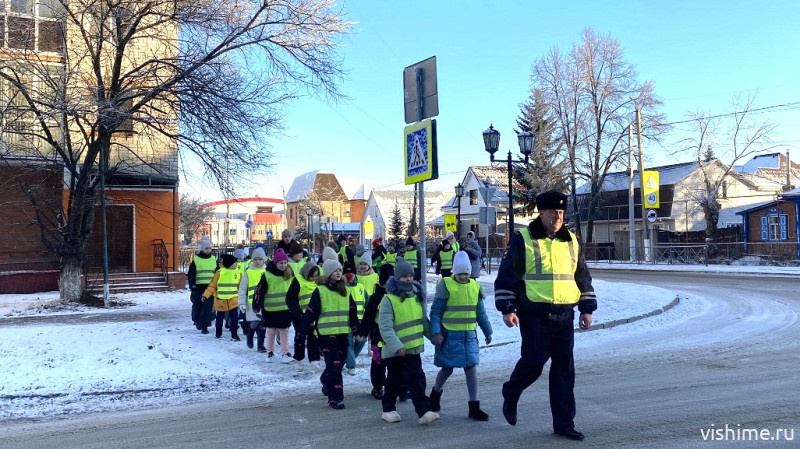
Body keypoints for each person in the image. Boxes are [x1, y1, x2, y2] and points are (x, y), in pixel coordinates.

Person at [494, 190, 597, 441]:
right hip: (534, 315)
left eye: (561, 212)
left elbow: (581, 276)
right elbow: (507, 274)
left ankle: (564, 424)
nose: (558, 217)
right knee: (533, 364)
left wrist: (586, 308)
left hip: (565, 316)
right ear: (541, 213)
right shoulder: (524, 239)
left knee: (564, 371)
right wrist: (507, 309)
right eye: (553, 212)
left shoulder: (571, 240)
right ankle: (512, 390)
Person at [428, 251, 493, 421]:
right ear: (454, 272)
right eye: (460, 273)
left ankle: (474, 406)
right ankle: (435, 394)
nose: (463, 277)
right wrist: (435, 332)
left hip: (469, 337)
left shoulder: (474, 287)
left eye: (466, 273)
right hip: (449, 336)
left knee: (471, 368)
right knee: (447, 368)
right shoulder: (446, 285)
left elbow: (481, 313)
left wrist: (488, 331)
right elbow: (436, 312)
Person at [377, 257, 439, 425]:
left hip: (413, 348)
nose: (409, 279)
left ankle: (424, 411)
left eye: (410, 276)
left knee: (417, 378)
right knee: (394, 380)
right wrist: (396, 346)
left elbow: (423, 322)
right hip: (396, 350)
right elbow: (385, 327)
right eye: (404, 276)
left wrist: (433, 336)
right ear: (397, 278)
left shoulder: (417, 297)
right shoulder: (389, 300)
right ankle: (388, 409)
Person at [294, 258, 359, 410]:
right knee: (334, 366)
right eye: (335, 270)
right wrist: (302, 332)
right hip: (326, 335)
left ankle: (325, 378)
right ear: (328, 273)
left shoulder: (346, 290)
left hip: (343, 334)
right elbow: (311, 313)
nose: (338, 272)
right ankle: (336, 398)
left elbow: (353, 312)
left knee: (339, 364)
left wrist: (357, 328)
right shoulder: (320, 291)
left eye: (340, 270)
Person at [355, 264, 394, 400]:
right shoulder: (376, 297)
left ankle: (400, 386)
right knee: (378, 363)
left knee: (396, 362)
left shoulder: (398, 295)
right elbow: (368, 317)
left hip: (395, 334)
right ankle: (378, 386)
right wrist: (362, 332)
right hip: (378, 334)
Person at [252, 248, 295, 362]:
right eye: (281, 263)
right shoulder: (267, 275)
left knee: (284, 330)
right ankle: (269, 352)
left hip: (285, 309)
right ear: (276, 263)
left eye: (285, 263)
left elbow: (295, 290)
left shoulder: (290, 274)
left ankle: (285, 352)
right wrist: (256, 304)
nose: (283, 265)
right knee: (271, 331)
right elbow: (259, 291)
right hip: (270, 309)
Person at [287, 260, 322, 368]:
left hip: (314, 315)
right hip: (301, 315)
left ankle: (314, 359)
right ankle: (299, 358)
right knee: (300, 337)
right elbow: (291, 298)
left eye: (316, 276)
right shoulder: (298, 280)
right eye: (312, 276)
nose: (313, 279)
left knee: (313, 337)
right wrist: (297, 313)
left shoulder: (319, 282)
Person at [201, 254, 242, 340]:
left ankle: (234, 334)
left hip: (233, 299)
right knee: (219, 317)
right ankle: (218, 332)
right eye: (234, 263)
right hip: (220, 299)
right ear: (228, 264)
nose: (236, 264)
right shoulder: (220, 272)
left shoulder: (238, 273)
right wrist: (205, 295)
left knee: (234, 318)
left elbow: (241, 286)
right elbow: (213, 285)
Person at [238, 246, 268, 351]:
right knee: (255, 322)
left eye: (260, 259)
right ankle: (250, 335)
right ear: (252, 260)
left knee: (263, 324)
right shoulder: (248, 272)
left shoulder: (267, 271)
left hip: (264, 302)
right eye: (255, 259)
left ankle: (260, 345)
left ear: (264, 260)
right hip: (251, 303)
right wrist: (241, 303)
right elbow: (242, 289)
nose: (258, 261)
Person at [188, 239, 217, 334]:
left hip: (210, 287)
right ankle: (197, 320)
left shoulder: (213, 259)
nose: (208, 250)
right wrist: (192, 285)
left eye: (210, 248)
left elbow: (217, 273)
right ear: (202, 249)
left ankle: (205, 326)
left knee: (207, 307)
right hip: (198, 287)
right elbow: (191, 274)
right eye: (206, 248)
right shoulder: (196, 259)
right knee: (197, 305)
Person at [344, 264, 369, 375]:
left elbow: (367, 303)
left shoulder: (360, 287)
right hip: (345, 320)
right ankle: (351, 365)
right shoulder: (341, 287)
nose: (350, 276)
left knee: (362, 340)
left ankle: (350, 359)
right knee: (348, 342)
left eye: (352, 274)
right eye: (347, 274)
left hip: (359, 320)